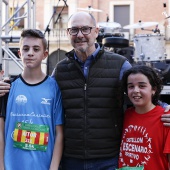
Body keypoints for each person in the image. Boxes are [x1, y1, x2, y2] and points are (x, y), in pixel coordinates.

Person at [0, 12, 170, 170]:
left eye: (85, 29)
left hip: (107, 158)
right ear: (68, 34)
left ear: (96, 31)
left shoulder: (119, 64)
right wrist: (8, 86)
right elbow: (39, 92)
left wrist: (165, 109)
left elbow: (139, 92)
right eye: (74, 30)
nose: (79, 34)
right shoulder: (60, 69)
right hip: (71, 159)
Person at [0, 29, 64, 170]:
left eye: (36, 49)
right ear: (19, 53)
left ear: (44, 55)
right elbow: (1, 130)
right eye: (26, 48)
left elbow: (59, 132)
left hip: (44, 166)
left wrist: (53, 168)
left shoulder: (54, 88)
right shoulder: (7, 88)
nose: (30, 53)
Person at [119, 65, 170, 170]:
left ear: (154, 89)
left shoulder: (165, 118)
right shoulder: (126, 115)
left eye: (142, 86)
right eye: (131, 86)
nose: (135, 90)